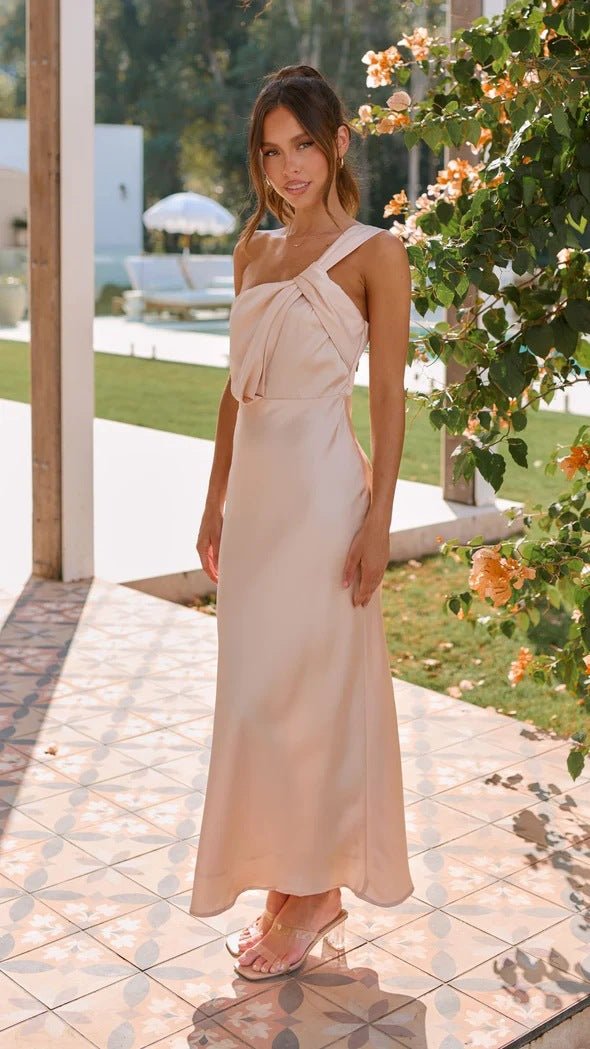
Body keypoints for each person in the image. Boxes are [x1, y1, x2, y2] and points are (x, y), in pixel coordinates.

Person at [190, 63, 414, 981]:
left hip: (327, 502)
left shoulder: (377, 254)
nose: (288, 169)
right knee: (257, 701)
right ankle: (292, 875)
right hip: (257, 510)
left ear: (337, 146)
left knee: (314, 698)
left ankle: (316, 894)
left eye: (303, 147)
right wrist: (213, 500)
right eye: (272, 152)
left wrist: (378, 525)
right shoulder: (252, 251)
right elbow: (234, 393)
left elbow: (393, 402)